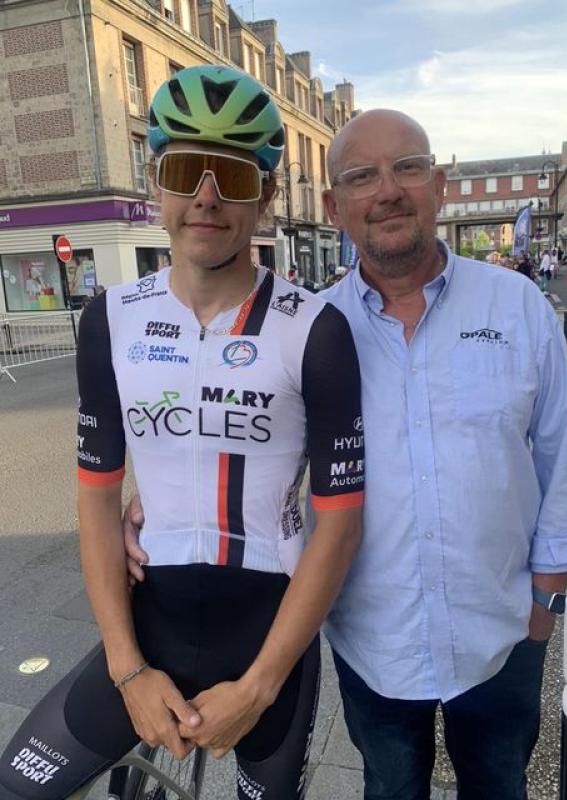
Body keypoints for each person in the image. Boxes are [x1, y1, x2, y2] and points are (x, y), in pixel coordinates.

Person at [124, 109, 567, 800]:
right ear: (333, 206)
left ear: (438, 185)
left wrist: (546, 602)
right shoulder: (308, 328)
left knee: (499, 783)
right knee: (389, 786)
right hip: (375, 639)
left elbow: (563, 456)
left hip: (502, 628)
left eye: (407, 168)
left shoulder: (517, 305)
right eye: (361, 177)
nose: (388, 191)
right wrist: (153, 506)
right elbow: (245, 445)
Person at [0, 64, 365, 800]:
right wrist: (128, 670)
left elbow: (340, 523)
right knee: (17, 784)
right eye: (184, 170)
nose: (206, 196)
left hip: (268, 638)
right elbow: (96, 498)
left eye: (231, 175)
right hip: (150, 626)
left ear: (265, 195)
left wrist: (259, 687)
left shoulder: (316, 329)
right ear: (154, 181)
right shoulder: (111, 319)